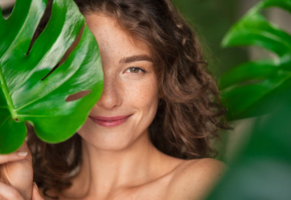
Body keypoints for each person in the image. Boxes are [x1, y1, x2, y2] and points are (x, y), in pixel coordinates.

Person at [0, 0, 230, 199]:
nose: (108, 100)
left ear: (163, 80)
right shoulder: (28, 192)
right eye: (84, 73)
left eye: (134, 70)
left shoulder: (203, 183)